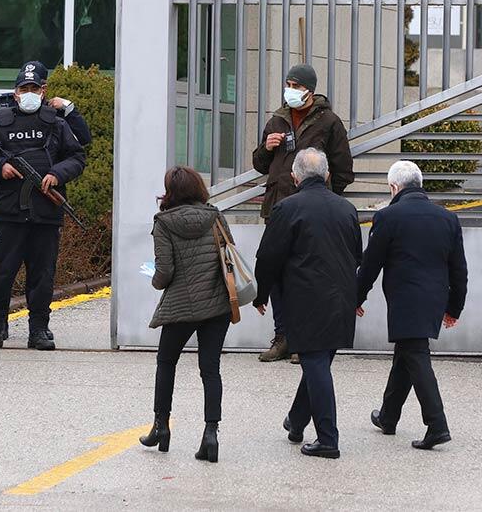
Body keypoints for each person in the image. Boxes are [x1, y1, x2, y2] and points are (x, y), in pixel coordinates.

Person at [0, 61, 91, 343]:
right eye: (23, 89)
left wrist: (56, 174)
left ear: (43, 91)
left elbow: (77, 157)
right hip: (7, 211)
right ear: (15, 93)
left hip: (45, 211)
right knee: (2, 273)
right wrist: (0, 166)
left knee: (42, 275)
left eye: (33, 89)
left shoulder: (57, 124)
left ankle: (39, 329)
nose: (28, 93)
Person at [254, 148, 362, 459]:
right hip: (342, 297)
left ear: (294, 177)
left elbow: (268, 257)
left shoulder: (287, 208)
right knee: (318, 362)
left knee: (315, 363)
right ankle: (297, 420)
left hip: (306, 298)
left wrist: (262, 294)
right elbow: (357, 255)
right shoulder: (346, 209)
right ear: (327, 175)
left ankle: (328, 439)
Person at [357, 160, 467, 450]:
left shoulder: (388, 217)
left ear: (394, 187)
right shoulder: (447, 218)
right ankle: (388, 416)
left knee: (415, 355)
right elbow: (459, 269)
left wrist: (356, 297)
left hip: (405, 299)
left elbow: (370, 265)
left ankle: (437, 425)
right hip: (435, 299)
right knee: (405, 355)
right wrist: (454, 307)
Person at [251, 64, 355, 363]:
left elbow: (343, 168)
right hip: (279, 207)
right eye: (288, 85)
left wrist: (328, 199)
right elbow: (259, 164)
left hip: (314, 212)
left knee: (308, 275)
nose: (290, 91)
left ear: (309, 89)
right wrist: (267, 148)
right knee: (278, 273)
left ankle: (304, 341)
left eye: (296, 86)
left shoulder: (329, 121)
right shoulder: (277, 119)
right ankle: (283, 337)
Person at [138, 166, 233, 464]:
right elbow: (229, 253)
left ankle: (161, 427)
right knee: (210, 369)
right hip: (217, 304)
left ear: (171, 192)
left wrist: (155, 280)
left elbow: (165, 271)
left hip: (182, 306)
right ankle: (211, 434)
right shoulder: (215, 215)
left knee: (166, 362)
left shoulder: (164, 222)